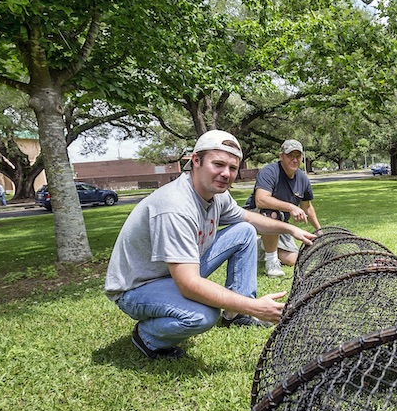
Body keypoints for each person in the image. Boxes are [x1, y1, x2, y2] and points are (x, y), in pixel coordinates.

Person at [105, 130, 316, 360]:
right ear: (196, 161)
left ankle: (236, 315)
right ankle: (147, 337)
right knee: (204, 314)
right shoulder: (176, 206)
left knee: (244, 231)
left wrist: (291, 229)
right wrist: (255, 307)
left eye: (232, 168)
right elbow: (188, 284)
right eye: (218, 164)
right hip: (138, 287)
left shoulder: (217, 195)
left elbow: (249, 218)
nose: (226, 174)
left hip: (174, 272)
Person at [243, 139, 322, 277]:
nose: (294, 160)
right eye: (290, 155)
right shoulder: (270, 172)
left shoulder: (302, 179)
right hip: (252, 217)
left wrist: (319, 231)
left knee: (292, 259)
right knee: (272, 213)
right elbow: (261, 200)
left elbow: (307, 207)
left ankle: (262, 247)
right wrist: (291, 207)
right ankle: (271, 262)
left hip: (279, 223)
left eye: (298, 156)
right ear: (281, 156)